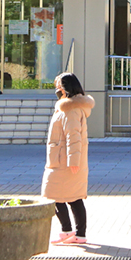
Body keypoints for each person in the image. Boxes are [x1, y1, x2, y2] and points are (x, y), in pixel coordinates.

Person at [41, 72, 95, 245]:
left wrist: (73, 161)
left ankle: (71, 232)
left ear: (66, 88)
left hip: (64, 161)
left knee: (61, 195)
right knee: (70, 197)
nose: (56, 90)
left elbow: (74, 136)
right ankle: (75, 233)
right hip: (61, 158)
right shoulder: (67, 107)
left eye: (58, 86)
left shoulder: (70, 109)